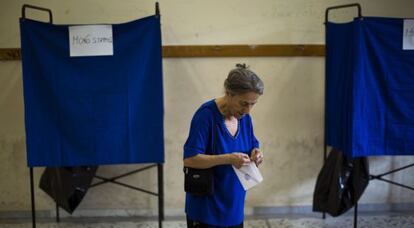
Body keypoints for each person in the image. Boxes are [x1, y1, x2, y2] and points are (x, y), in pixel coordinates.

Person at [183, 64, 264, 227]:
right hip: (207, 210)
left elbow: (252, 144)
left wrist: (256, 153)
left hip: (234, 207)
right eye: (244, 103)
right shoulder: (206, 116)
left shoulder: (244, 118)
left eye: (252, 104)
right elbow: (190, 159)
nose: (248, 110)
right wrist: (228, 158)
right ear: (229, 94)